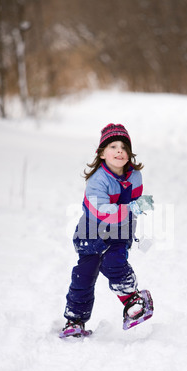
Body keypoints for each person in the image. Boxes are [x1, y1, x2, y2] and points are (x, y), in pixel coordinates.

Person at [60, 123, 154, 338]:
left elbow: (134, 204)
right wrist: (131, 207)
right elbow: (102, 212)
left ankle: (132, 300)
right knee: (84, 276)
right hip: (91, 234)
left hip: (119, 233)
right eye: (113, 146)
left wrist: (137, 210)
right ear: (102, 153)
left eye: (124, 146)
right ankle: (74, 319)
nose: (119, 150)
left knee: (115, 262)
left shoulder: (134, 176)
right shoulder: (97, 180)